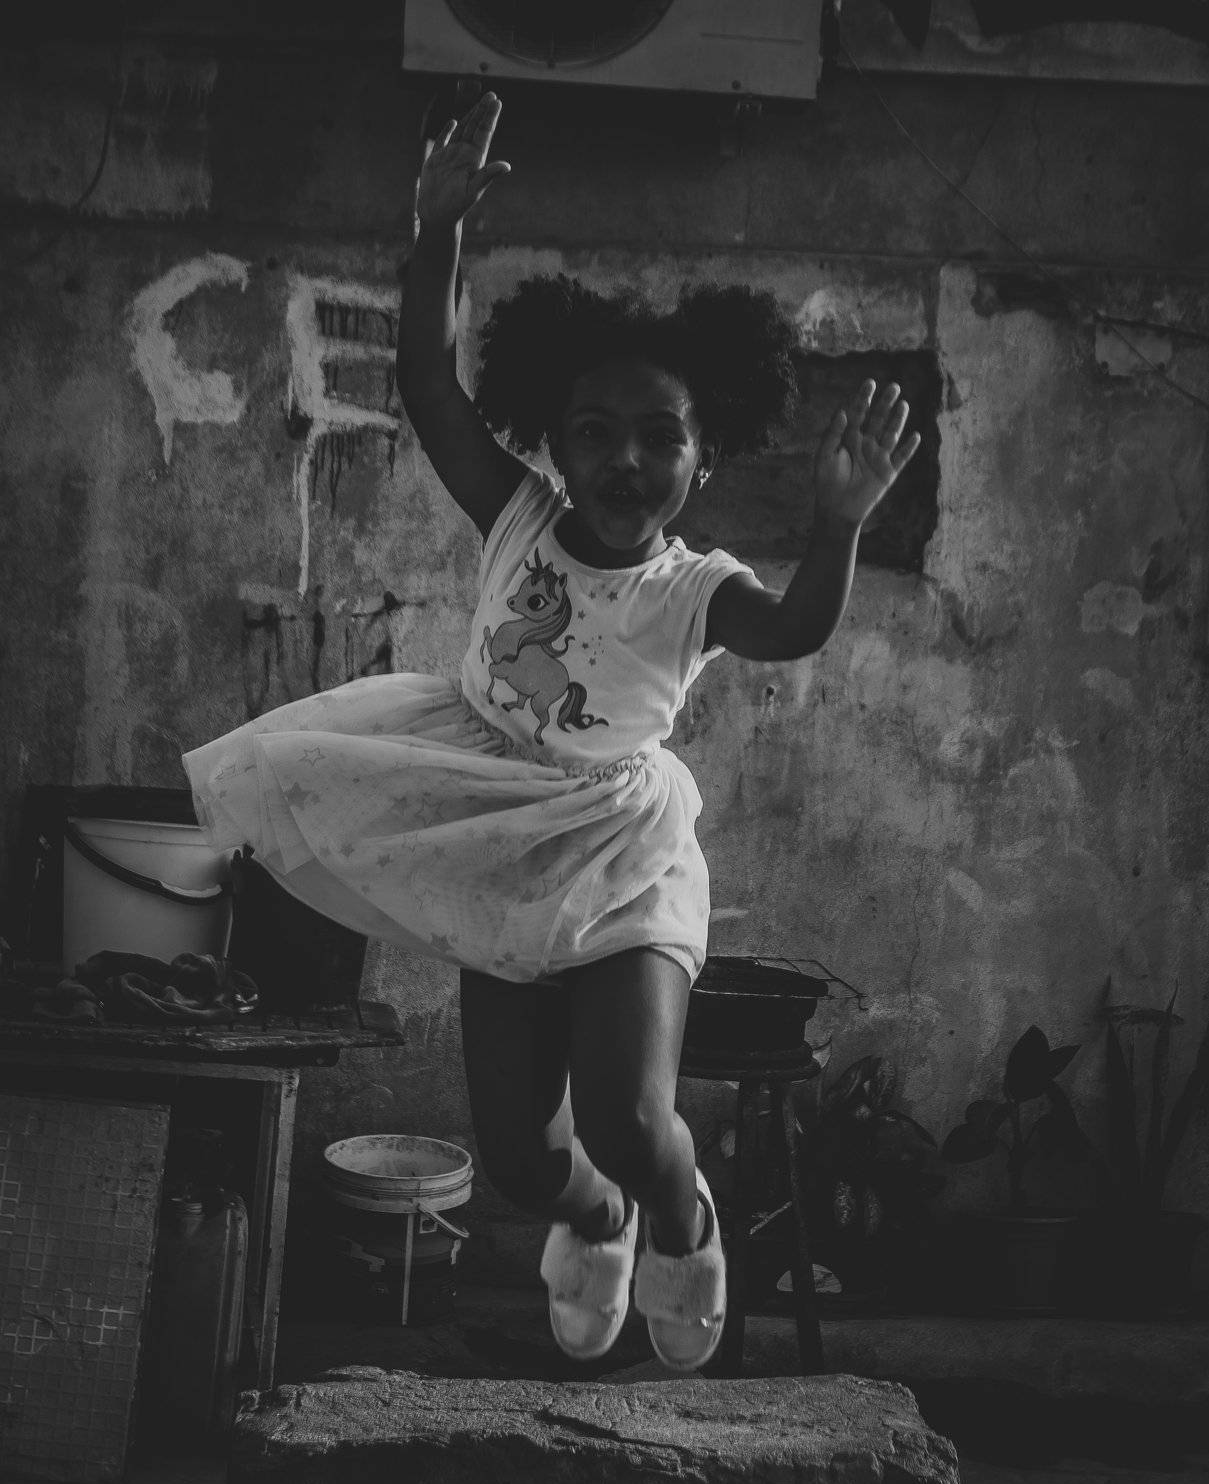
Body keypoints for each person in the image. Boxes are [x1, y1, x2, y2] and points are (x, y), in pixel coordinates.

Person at [183, 92, 920, 1372]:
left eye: (660, 439)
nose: (627, 460)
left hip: (621, 850)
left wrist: (839, 525)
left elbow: (798, 626)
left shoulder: (695, 588)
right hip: (496, 830)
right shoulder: (517, 514)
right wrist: (437, 232)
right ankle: (599, 1220)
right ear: (556, 448)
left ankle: (680, 1216)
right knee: (526, 1162)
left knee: (629, 1119)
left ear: (702, 460)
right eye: (596, 434)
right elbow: (427, 382)